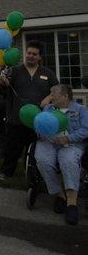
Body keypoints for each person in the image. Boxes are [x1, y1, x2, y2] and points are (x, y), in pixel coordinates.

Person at [0, 40, 59, 181]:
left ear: (40, 57)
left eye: (34, 54)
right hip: (16, 117)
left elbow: (57, 90)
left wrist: (49, 97)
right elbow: (2, 90)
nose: (30, 56)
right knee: (12, 148)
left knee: (37, 149)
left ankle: (33, 172)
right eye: (29, 53)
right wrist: (3, 82)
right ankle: (6, 171)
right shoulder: (15, 70)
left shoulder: (47, 73)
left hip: (39, 119)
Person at [35, 84, 88, 225]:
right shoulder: (48, 109)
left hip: (71, 144)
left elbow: (86, 130)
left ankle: (71, 203)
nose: (50, 96)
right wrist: (40, 133)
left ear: (65, 96)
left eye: (53, 93)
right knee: (42, 159)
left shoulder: (81, 110)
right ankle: (59, 195)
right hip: (49, 143)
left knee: (68, 161)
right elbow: (39, 126)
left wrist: (68, 138)